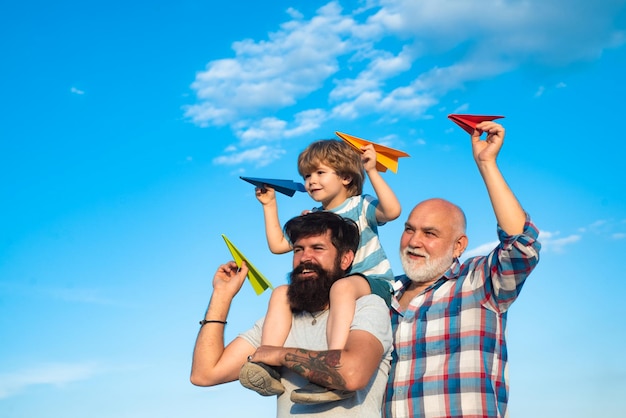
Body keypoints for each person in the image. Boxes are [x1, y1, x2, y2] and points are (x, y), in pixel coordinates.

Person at [384, 121, 541, 418]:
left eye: (430, 233)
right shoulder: (383, 295)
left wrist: (487, 164)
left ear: (459, 246)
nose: (414, 241)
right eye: (409, 229)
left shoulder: (478, 282)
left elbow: (522, 244)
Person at [190, 211, 393, 417]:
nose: (305, 257)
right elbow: (205, 374)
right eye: (298, 249)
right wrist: (221, 296)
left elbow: (352, 374)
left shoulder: (368, 307)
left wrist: (278, 355)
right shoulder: (281, 320)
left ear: (345, 259)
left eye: (318, 248)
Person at [249, 139, 401, 402]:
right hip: (337, 290)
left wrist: (372, 171)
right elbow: (277, 245)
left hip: (373, 282)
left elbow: (393, 210)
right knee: (282, 293)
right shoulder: (314, 217)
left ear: (345, 177)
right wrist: (269, 206)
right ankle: (268, 365)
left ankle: (335, 368)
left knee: (342, 287)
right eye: (307, 175)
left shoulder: (360, 205)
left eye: (320, 173)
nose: (311, 181)